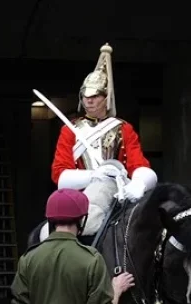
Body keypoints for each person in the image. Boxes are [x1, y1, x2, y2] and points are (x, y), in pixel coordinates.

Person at [51, 43, 157, 235]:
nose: (88, 101)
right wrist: (94, 175)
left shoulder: (123, 128)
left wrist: (138, 184)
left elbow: (138, 164)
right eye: (85, 95)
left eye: (95, 95)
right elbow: (60, 174)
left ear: (106, 97)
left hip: (118, 193)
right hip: (79, 195)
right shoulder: (70, 130)